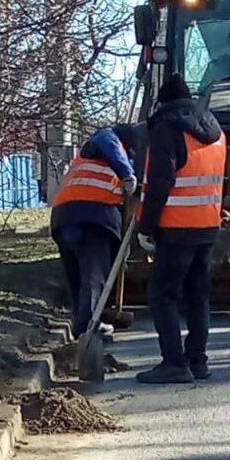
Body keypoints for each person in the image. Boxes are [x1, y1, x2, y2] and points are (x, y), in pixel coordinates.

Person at [135, 74, 226, 384]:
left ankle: (174, 363)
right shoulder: (215, 131)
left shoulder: (167, 128)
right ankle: (197, 360)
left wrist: (146, 227)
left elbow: (161, 182)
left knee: (163, 295)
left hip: (176, 228)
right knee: (198, 296)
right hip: (208, 226)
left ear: (164, 103)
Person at [51, 126, 137, 341]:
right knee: (93, 278)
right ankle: (87, 334)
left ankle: (82, 328)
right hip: (93, 219)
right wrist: (127, 174)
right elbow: (106, 139)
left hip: (64, 218)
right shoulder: (109, 139)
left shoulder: (91, 157)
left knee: (78, 279)